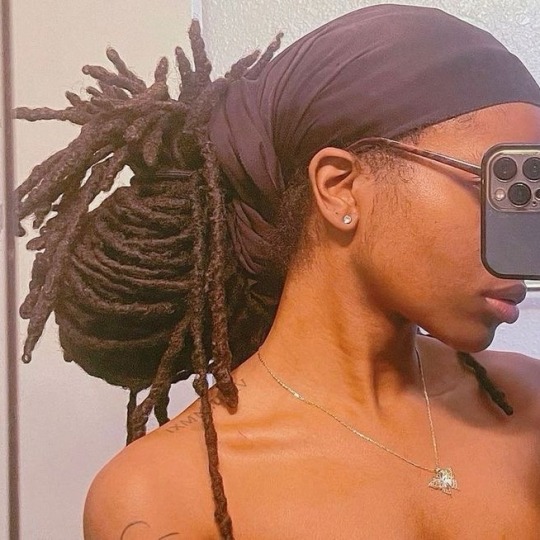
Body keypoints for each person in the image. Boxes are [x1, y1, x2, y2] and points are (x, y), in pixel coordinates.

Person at [14, 4, 540, 539]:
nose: (528, 241)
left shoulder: (531, 407)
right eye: (505, 187)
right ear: (340, 188)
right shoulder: (166, 496)